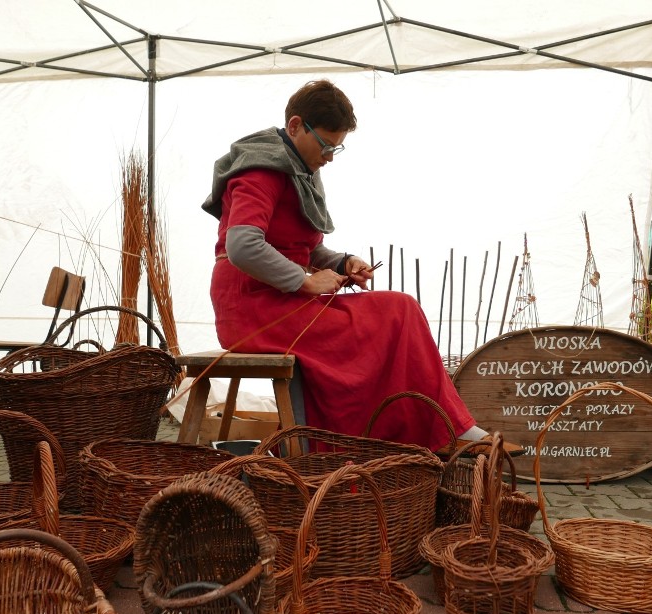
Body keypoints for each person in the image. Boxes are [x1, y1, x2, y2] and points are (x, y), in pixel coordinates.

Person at [202, 79, 514, 455]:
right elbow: (243, 246)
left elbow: (308, 247)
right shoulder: (261, 170)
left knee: (400, 308)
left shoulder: (298, 170)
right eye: (326, 145)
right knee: (395, 313)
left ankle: (438, 428)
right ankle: (414, 436)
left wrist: (342, 262)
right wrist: (303, 283)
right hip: (252, 307)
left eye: (338, 147)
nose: (330, 156)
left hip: (282, 300)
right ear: (296, 125)